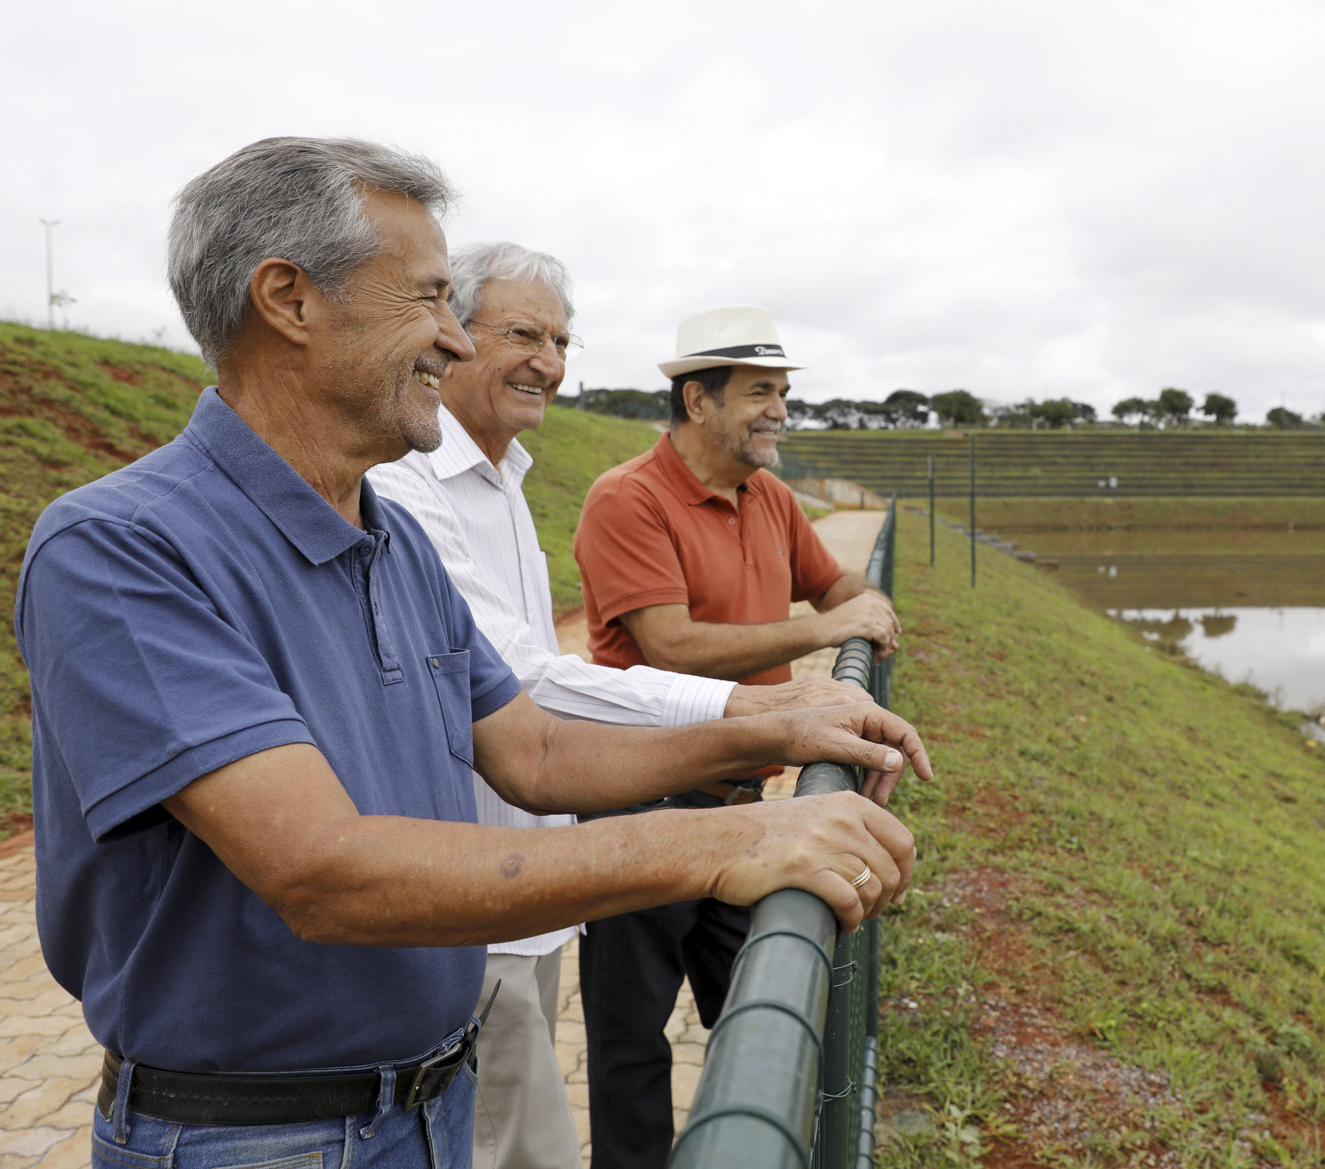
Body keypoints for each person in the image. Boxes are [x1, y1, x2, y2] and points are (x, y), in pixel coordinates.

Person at [17, 138, 931, 1169]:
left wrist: (775, 726)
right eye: (430, 298)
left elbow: (533, 752)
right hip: (258, 1134)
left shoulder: (388, 536)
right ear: (289, 299)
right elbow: (324, 870)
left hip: (429, 1102)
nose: (454, 339)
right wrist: (714, 846)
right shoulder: (121, 547)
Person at [364, 245, 872, 1169]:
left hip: (567, 838)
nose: (550, 361)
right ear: (697, 399)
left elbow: (839, 589)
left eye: (561, 338)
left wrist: (832, 641)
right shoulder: (581, 494)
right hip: (588, 815)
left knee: (746, 1019)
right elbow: (547, 673)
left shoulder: (505, 476)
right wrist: (769, 708)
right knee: (604, 1063)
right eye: (523, 332)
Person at [571, 305, 902, 1168]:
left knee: (769, 1021)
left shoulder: (771, 498)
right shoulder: (628, 499)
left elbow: (837, 588)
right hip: (638, 808)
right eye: (760, 392)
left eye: (784, 393)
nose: (780, 411)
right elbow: (671, 646)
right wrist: (818, 639)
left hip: (747, 808)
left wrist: (868, 611)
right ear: (696, 400)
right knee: (630, 1047)